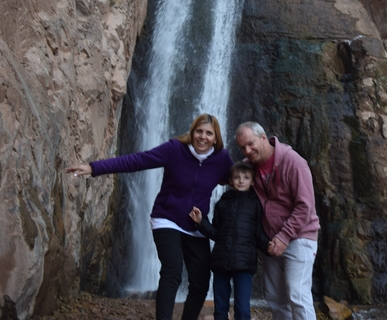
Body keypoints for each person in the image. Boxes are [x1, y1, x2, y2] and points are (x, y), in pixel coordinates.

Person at [66, 114, 234, 320]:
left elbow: (241, 179)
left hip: (196, 225)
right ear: (192, 132)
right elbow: (138, 160)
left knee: (201, 281)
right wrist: (94, 168)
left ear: (216, 138)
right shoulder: (174, 149)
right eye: (199, 131)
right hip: (167, 218)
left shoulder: (222, 159)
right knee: (172, 270)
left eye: (209, 133)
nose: (203, 137)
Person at [234, 122, 320, 320]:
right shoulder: (248, 167)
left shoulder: (294, 162)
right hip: (271, 242)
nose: (247, 150)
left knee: (297, 295)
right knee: (275, 298)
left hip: (299, 237)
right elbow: (229, 176)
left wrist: (284, 236)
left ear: (263, 137)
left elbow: (305, 206)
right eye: (242, 147)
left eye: (250, 143)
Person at [189, 161, 270, 320]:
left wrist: (269, 246)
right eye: (237, 177)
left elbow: (258, 233)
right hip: (221, 262)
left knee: (243, 310)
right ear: (231, 181)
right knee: (220, 309)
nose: (241, 180)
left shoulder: (256, 205)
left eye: (246, 177)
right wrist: (201, 222)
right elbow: (216, 233)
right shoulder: (222, 203)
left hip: (244, 264)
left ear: (252, 181)